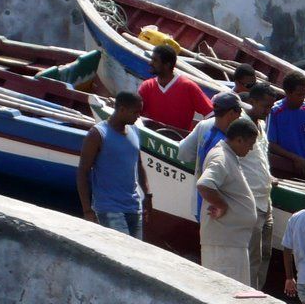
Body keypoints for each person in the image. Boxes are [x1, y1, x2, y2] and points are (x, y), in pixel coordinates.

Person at [196, 118, 262, 283]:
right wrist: (222, 205)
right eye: (250, 143)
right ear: (239, 140)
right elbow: (205, 184)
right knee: (224, 292)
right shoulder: (222, 157)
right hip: (224, 245)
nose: (251, 148)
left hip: (232, 242)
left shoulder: (229, 156)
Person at [77, 90, 150, 239]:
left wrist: (148, 195)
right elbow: (83, 172)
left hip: (134, 207)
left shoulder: (135, 131)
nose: (138, 116)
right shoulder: (97, 134)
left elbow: (139, 165)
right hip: (109, 209)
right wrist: (87, 211)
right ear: (122, 109)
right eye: (135, 112)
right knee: (122, 254)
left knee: (137, 255)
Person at [236, 103, 277, 290]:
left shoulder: (261, 125)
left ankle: (258, 290)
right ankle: (249, 291)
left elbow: (260, 160)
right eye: (265, 106)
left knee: (266, 252)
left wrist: (269, 177)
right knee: (254, 254)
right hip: (252, 200)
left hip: (266, 199)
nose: (268, 111)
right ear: (255, 100)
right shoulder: (242, 126)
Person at [138, 44, 212, 133]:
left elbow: (211, 115)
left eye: (155, 60)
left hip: (178, 142)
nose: (150, 63)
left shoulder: (188, 87)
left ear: (167, 65)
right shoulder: (147, 86)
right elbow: (134, 112)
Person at [177, 92, 245, 174]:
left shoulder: (204, 127)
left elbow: (183, 153)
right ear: (231, 113)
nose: (240, 116)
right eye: (239, 111)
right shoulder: (222, 143)